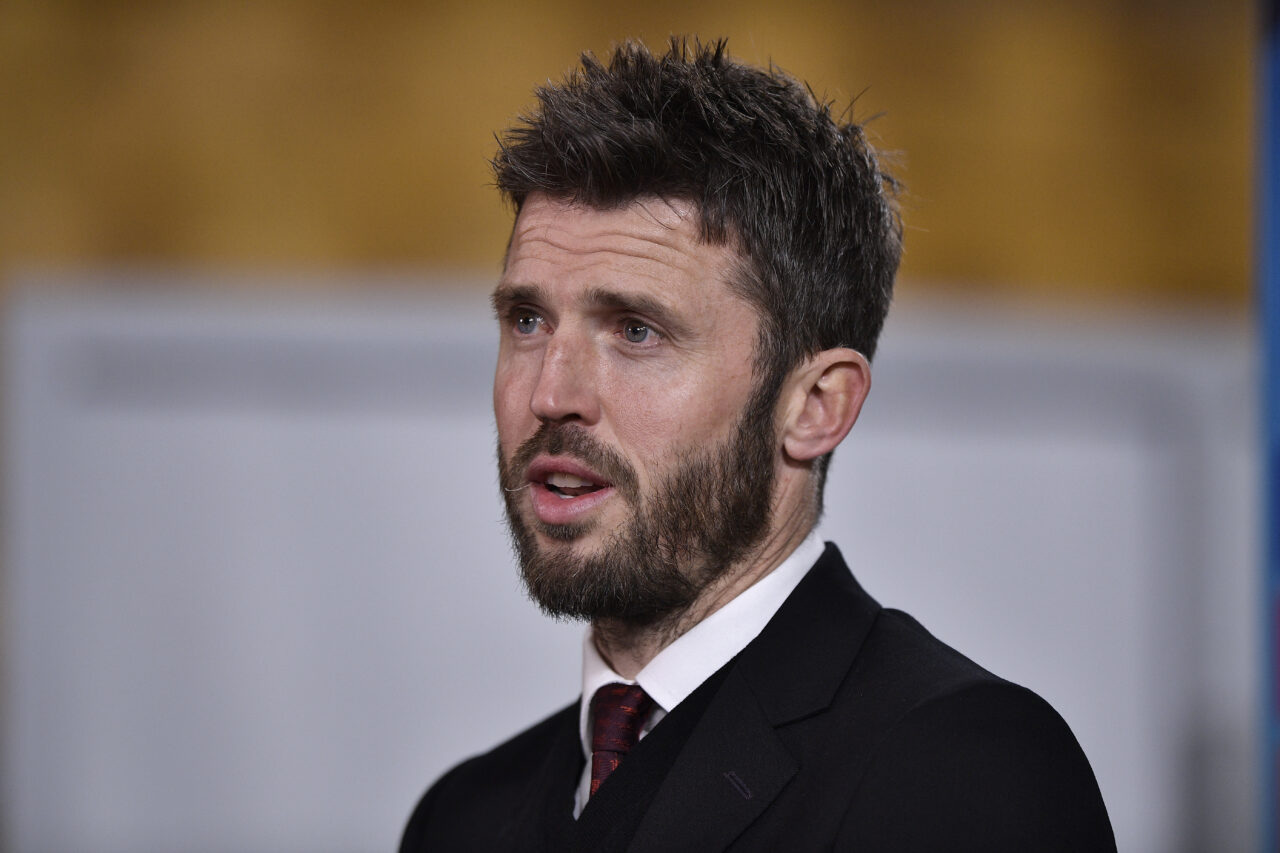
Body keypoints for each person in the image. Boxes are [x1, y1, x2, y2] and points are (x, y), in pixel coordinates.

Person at [399, 37, 1115, 852]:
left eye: (636, 330)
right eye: (527, 320)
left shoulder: (962, 770)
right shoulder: (459, 820)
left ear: (815, 406)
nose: (550, 394)